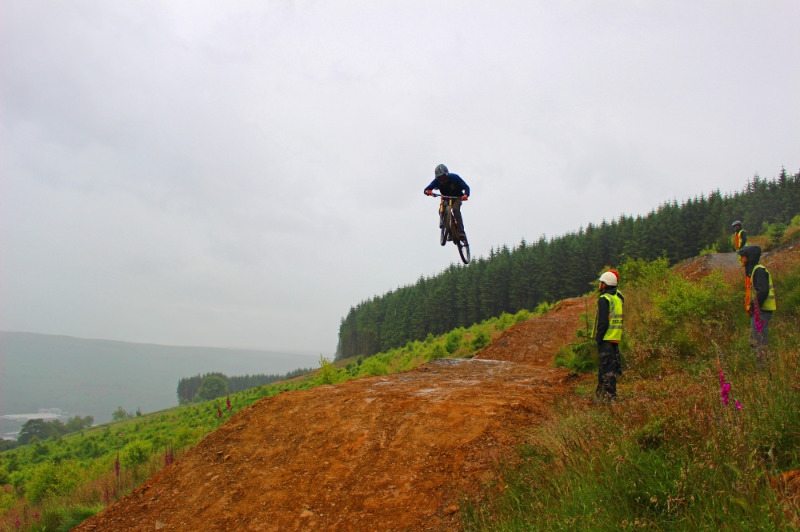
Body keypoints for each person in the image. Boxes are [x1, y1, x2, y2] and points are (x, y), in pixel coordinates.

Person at [737, 245, 776, 367]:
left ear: (749, 258)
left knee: (759, 340)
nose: (741, 260)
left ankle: (764, 368)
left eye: (743, 257)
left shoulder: (758, 270)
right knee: (754, 340)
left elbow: (763, 291)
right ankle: (763, 365)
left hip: (762, 311)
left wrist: (754, 306)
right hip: (759, 311)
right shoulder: (753, 271)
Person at [593, 271, 624, 402]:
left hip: (606, 339)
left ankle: (607, 398)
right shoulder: (618, 298)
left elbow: (603, 322)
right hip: (615, 338)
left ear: (605, 284)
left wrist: (598, 338)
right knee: (612, 369)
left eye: (601, 282)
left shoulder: (604, 299)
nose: (599, 285)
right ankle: (608, 395)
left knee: (605, 370)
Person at [423, 164, 470, 241]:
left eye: (443, 177)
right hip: (446, 198)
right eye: (440, 178)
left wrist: (466, 195)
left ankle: (461, 232)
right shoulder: (437, 181)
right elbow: (427, 188)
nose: (442, 179)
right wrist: (428, 191)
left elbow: (466, 187)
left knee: (455, 209)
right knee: (441, 210)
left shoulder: (455, 177)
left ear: (447, 174)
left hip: (457, 198)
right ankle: (450, 233)